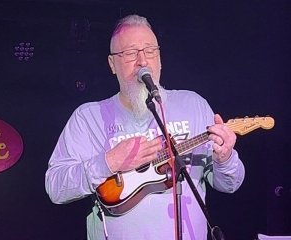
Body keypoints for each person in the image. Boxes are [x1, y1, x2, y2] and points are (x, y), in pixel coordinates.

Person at [45, 14, 245, 240]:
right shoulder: (88, 117)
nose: (142, 61)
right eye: (130, 53)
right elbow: (56, 187)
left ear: (159, 58)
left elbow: (230, 185)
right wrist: (109, 162)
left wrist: (225, 158)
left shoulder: (194, 105)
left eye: (150, 51)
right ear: (112, 64)